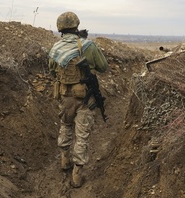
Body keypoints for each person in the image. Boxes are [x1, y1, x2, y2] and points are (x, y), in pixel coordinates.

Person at [48, 11, 108, 187]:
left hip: (65, 96)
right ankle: (77, 174)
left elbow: (52, 71)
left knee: (66, 126)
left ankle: (64, 159)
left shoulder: (56, 48)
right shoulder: (88, 46)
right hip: (85, 98)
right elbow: (103, 67)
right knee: (81, 136)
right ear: (77, 25)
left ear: (60, 28)